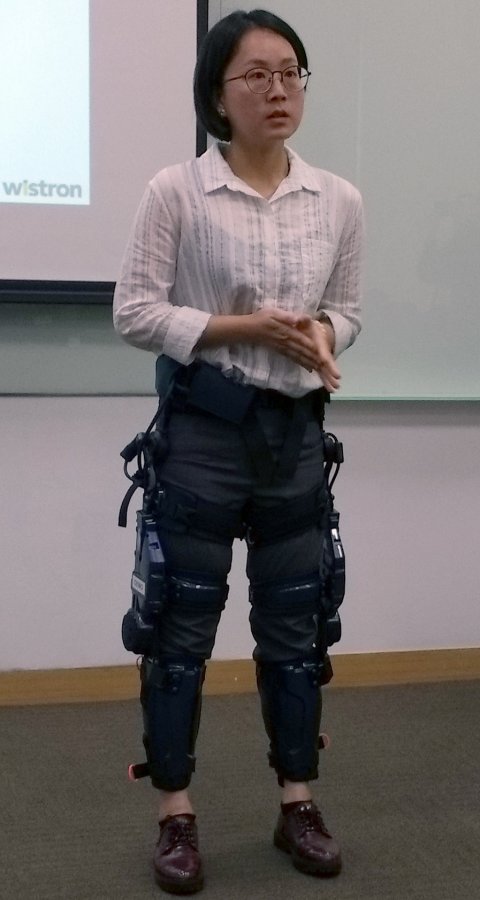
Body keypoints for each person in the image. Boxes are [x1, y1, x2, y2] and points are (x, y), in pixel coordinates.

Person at [113, 8, 364, 895]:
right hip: (202, 442)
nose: (277, 88)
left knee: (297, 631)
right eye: (254, 74)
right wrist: (241, 327)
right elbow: (135, 311)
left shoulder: (339, 199)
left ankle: (298, 800)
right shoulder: (175, 191)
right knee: (179, 636)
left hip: (294, 442)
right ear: (217, 94)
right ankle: (175, 814)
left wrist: (322, 335)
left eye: (290, 71)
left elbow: (351, 306)